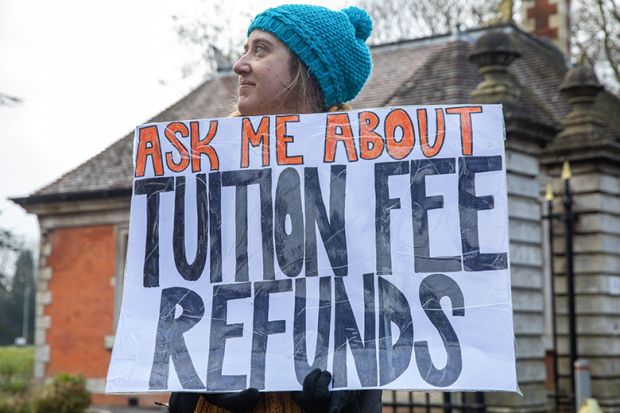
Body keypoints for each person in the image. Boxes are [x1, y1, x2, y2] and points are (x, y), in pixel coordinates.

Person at [168, 4, 381, 413]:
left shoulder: (363, 180)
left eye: (260, 50)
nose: (239, 64)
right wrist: (193, 379)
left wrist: (347, 393)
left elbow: (381, 306)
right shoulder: (207, 169)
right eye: (245, 48)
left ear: (305, 71)